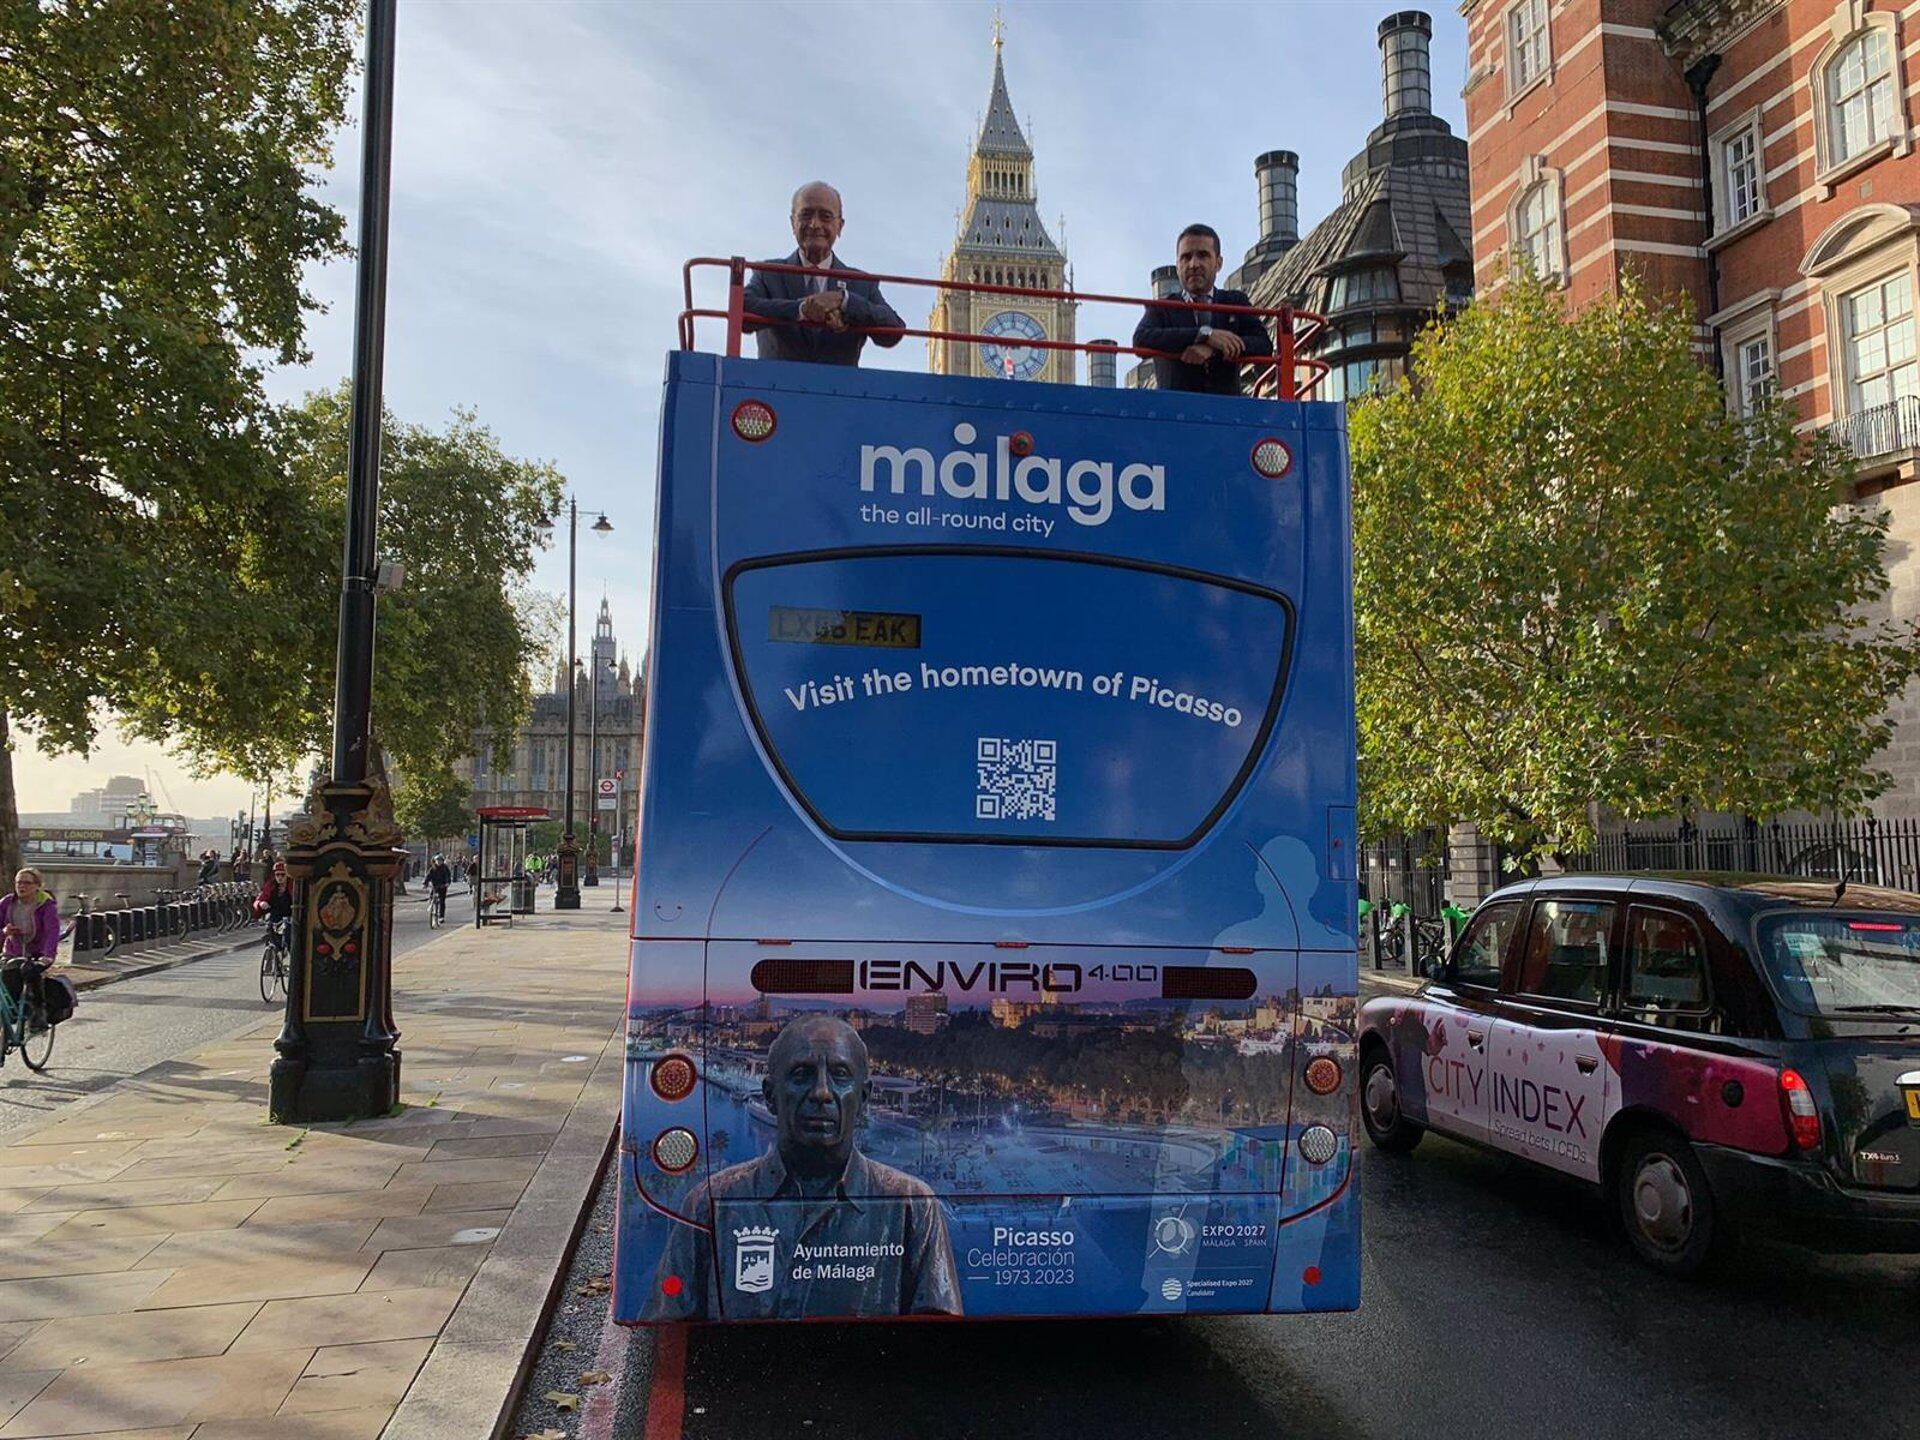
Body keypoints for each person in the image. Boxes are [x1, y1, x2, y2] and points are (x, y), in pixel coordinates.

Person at [645, 1015, 962, 1321]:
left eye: (839, 1074)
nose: (822, 1092)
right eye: (801, 1074)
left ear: (863, 1097)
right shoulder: (709, 1204)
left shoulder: (912, 1206)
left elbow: (936, 1341)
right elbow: (667, 1334)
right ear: (770, 1096)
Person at [741, 182, 905, 367]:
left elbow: (893, 331)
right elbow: (741, 310)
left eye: (825, 216)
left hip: (837, 392)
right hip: (774, 390)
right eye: (806, 215)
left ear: (840, 226)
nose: (815, 224)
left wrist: (844, 301)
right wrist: (802, 309)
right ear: (793, 224)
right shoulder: (768, 273)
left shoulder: (861, 283)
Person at [1132, 223, 1273, 395]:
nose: (1193, 264)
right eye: (1186, 257)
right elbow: (1141, 340)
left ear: (1218, 263)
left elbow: (1263, 344)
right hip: (1175, 413)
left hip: (1225, 412)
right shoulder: (1163, 307)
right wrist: (1205, 334)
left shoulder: (1235, 302)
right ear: (1177, 266)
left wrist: (1213, 349)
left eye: (1203, 255)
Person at [0, 869, 58, 1014]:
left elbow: (52, 932)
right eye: (19, 882)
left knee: (30, 973)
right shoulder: (7, 903)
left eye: (27, 883)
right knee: (8, 978)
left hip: (37, 953)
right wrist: (5, 932)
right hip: (13, 951)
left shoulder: (45, 905)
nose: (22, 886)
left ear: (37, 886)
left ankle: (38, 1013)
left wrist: (48, 956)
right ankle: (10, 1018)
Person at [253, 858, 294, 924]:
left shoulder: (292, 885)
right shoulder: (270, 885)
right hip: (274, 918)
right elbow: (259, 899)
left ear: (287, 875)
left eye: (282, 874)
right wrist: (261, 903)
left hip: (290, 918)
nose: (280, 877)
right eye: (277, 875)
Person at [425, 854, 452, 922]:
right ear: (435, 861)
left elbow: (448, 876)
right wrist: (425, 883)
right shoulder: (432, 868)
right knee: (432, 895)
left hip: (442, 886)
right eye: (437, 860)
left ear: (442, 861)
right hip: (435, 885)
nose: (439, 862)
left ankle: (441, 916)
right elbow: (428, 876)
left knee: (442, 901)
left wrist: (447, 883)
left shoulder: (445, 868)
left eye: (440, 861)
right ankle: (431, 903)